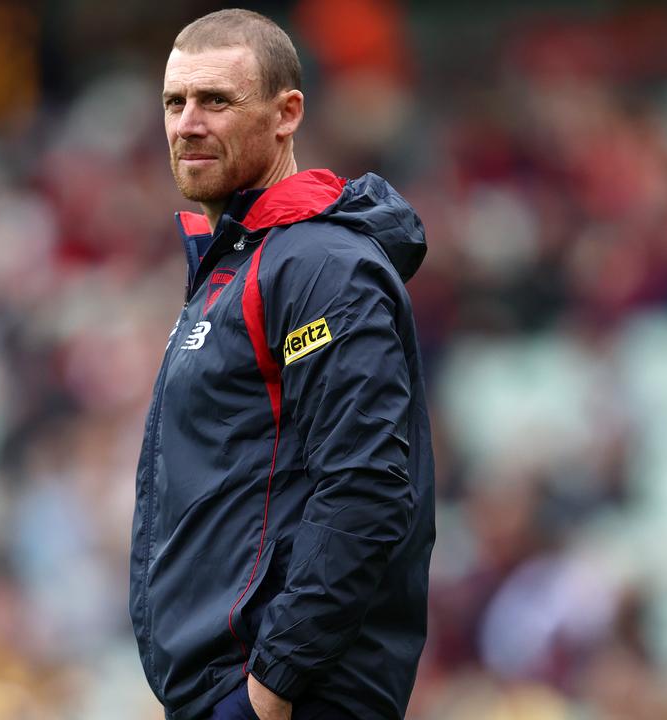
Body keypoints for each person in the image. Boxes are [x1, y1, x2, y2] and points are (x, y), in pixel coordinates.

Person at [129, 9, 435, 720]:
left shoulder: (321, 266)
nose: (187, 123)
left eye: (217, 101)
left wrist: (270, 688)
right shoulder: (240, 265)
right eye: (175, 103)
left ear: (286, 113)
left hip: (291, 697)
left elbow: (365, 488)